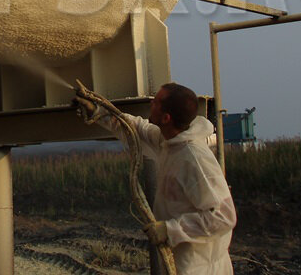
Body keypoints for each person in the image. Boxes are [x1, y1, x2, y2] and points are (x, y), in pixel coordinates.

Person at [79, 82, 236, 275]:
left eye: (156, 102)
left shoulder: (194, 159)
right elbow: (136, 129)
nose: (151, 103)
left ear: (166, 117)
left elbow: (223, 217)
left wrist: (169, 230)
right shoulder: (170, 142)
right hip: (182, 262)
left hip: (201, 268)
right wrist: (98, 111)